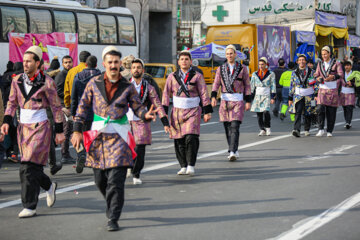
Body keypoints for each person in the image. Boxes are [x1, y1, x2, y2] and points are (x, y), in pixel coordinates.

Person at [71, 46, 158, 231]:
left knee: (115, 180)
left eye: (116, 62)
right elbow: (82, 108)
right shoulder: (93, 83)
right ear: (104, 64)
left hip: (120, 136)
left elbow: (138, 107)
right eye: (109, 62)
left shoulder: (127, 87)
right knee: (100, 181)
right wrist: (77, 130)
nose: (113, 66)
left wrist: (145, 115)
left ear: (120, 64)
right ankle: (112, 202)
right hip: (98, 136)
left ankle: (113, 217)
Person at [0, 46, 65, 218]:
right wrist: (6, 121)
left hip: (40, 127)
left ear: (38, 63)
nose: (25, 63)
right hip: (23, 128)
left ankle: (29, 206)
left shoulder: (47, 82)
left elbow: (56, 108)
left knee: (27, 167)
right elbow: (11, 103)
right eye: (24, 60)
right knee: (33, 167)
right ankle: (49, 186)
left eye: (29, 61)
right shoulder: (17, 80)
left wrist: (59, 131)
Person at [162, 50, 212, 175]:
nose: (184, 61)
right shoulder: (171, 76)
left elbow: (204, 93)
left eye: (186, 59)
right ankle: (183, 165)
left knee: (191, 136)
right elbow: (165, 96)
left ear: (190, 62)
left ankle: (191, 164)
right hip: (177, 112)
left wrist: (207, 111)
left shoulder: (197, 76)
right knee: (179, 139)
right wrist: (164, 117)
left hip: (193, 111)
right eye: (182, 59)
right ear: (178, 62)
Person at [127, 58, 169, 184]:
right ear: (131, 70)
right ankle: (129, 166)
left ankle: (136, 174)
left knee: (140, 148)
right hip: (125, 120)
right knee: (128, 147)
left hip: (142, 119)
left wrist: (165, 123)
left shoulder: (149, 87)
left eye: (138, 67)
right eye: (134, 67)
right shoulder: (125, 86)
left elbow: (157, 104)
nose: (136, 70)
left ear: (143, 70)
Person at [211, 44, 251, 161]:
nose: (229, 55)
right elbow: (216, 83)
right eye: (227, 54)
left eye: (231, 53)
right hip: (224, 101)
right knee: (227, 126)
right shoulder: (220, 68)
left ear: (235, 54)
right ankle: (233, 148)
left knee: (235, 125)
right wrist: (213, 97)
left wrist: (248, 100)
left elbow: (247, 85)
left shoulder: (243, 68)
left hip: (238, 100)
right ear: (226, 55)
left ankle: (232, 151)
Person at [70, 55, 101, 173]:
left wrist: (73, 112)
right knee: (92, 136)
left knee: (78, 135)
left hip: (81, 111)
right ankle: (92, 159)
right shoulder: (101, 76)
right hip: (96, 112)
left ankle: (81, 154)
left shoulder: (78, 76)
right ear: (96, 65)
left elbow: (74, 96)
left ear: (86, 65)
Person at [314, 46, 344, 137]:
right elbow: (316, 74)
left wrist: (333, 77)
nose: (324, 56)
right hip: (322, 89)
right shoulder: (320, 64)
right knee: (319, 109)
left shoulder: (336, 63)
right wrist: (317, 77)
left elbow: (341, 74)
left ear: (330, 53)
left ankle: (329, 130)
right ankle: (320, 128)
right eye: (322, 54)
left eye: (325, 54)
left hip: (332, 90)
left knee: (331, 112)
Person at [288, 54, 318, 137]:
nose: (301, 61)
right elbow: (292, 85)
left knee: (308, 112)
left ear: (306, 61)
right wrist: (290, 97)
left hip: (309, 95)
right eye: (300, 60)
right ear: (297, 62)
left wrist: (316, 94)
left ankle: (307, 129)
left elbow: (314, 84)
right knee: (298, 112)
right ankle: (296, 129)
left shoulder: (311, 72)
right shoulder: (294, 72)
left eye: (303, 60)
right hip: (298, 95)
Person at [55, 55, 74, 163]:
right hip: (64, 107)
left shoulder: (70, 73)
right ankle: (64, 154)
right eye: (66, 62)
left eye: (69, 62)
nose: (68, 64)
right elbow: (58, 91)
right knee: (66, 130)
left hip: (69, 105)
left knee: (70, 130)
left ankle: (66, 153)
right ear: (62, 64)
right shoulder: (61, 75)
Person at [250, 57, 276, 136]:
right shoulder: (255, 74)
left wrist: (273, 96)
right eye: (259, 64)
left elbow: (273, 85)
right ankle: (262, 129)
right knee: (259, 113)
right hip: (258, 96)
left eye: (262, 64)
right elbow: (252, 85)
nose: (261, 66)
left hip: (266, 95)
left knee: (266, 111)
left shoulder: (271, 74)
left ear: (266, 65)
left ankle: (267, 127)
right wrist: (250, 96)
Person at [341, 60, 356, 129]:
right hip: (343, 92)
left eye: (348, 65)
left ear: (351, 66)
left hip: (351, 92)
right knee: (344, 108)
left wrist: (352, 84)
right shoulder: (342, 74)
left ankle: (348, 122)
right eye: (345, 65)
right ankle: (347, 121)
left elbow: (358, 83)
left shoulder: (354, 74)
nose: (346, 67)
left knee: (349, 107)